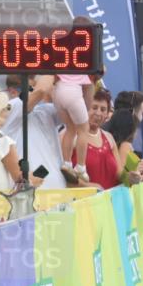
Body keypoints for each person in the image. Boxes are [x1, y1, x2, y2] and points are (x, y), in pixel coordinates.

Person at [55, 16, 98, 182]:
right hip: (73, 92)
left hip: (58, 91)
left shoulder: (62, 45)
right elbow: (93, 77)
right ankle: (81, 166)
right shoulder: (87, 49)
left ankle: (66, 163)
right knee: (83, 129)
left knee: (70, 129)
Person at [83, 89, 124, 190]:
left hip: (109, 202)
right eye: (94, 107)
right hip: (83, 202)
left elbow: (120, 174)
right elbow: (63, 174)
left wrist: (135, 175)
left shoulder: (109, 137)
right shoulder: (70, 136)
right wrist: (90, 186)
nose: (98, 113)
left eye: (103, 109)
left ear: (107, 115)